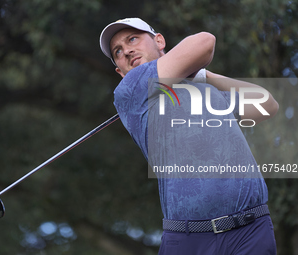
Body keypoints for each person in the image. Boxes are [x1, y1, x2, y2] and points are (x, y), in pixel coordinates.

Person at [99, 18, 279, 255]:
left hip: (251, 231)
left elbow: (267, 105)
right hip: (189, 240)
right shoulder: (130, 89)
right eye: (118, 52)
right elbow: (204, 42)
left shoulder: (205, 88)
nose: (127, 50)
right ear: (120, 72)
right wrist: (190, 66)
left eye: (133, 39)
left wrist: (202, 75)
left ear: (159, 40)